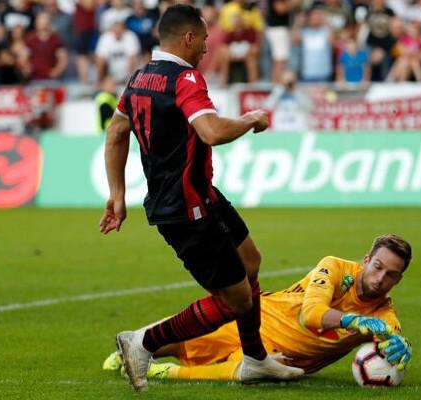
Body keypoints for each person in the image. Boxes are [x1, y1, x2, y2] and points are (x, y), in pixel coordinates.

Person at [98, 4, 304, 392]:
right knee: (236, 301)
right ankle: (143, 342)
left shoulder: (139, 78)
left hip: (200, 195)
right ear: (188, 38)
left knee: (251, 261)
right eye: (205, 39)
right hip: (186, 209)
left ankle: (255, 359)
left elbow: (116, 133)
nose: (208, 48)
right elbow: (211, 131)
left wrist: (117, 196)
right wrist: (250, 118)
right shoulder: (185, 78)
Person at [102, 234, 414, 381]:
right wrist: (354, 321)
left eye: (391, 275)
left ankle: (163, 372)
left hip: (286, 360)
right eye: (377, 267)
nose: (380, 279)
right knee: (180, 342)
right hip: (258, 319)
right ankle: (133, 350)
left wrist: (401, 347)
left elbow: (392, 342)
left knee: (250, 374)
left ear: (398, 280)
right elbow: (312, 315)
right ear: (365, 261)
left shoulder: (384, 316)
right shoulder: (334, 267)